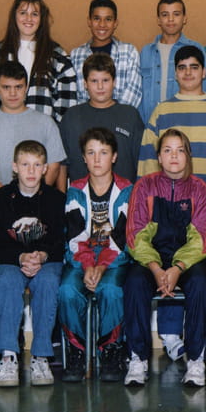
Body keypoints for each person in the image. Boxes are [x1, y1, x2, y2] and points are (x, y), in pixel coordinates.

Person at [124, 129, 206, 387]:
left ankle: (195, 360)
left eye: (180, 150)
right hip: (150, 259)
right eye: (167, 150)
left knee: (200, 284)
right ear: (159, 157)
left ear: (188, 155)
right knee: (134, 283)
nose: (174, 156)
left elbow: (202, 238)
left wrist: (177, 268)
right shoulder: (145, 186)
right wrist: (155, 268)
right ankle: (138, 358)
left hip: (187, 261)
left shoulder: (200, 189)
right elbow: (135, 234)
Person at [0, 140, 65, 387]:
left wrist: (42, 256)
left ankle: (41, 356)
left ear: (45, 169)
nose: (31, 171)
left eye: (37, 165)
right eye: (25, 165)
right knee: (8, 282)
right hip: (11, 260)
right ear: (14, 167)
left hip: (46, 261)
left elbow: (61, 241)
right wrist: (20, 257)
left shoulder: (56, 199)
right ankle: (8, 356)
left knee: (49, 282)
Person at [58, 127, 133, 382]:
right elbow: (75, 237)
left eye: (103, 152)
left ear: (114, 156)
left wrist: (100, 267)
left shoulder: (126, 190)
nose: (97, 159)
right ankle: (77, 351)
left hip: (115, 259)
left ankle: (111, 350)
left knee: (111, 290)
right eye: (91, 153)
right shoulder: (75, 191)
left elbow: (123, 238)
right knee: (67, 290)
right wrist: (88, 265)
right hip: (81, 258)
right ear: (84, 158)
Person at [0, 0, 77, 124]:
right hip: (2, 130)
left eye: (34, 14)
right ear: (14, 16)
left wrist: (52, 132)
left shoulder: (57, 56)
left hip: (41, 132)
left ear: (41, 19)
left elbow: (67, 108)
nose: (29, 18)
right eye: (23, 13)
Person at [138, 45, 206, 184]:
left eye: (194, 67)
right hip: (169, 194)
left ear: (204, 72)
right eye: (182, 68)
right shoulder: (161, 112)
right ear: (176, 74)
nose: (188, 72)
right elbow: (148, 160)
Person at [0, 61, 66, 192]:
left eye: (18, 87)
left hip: (39, 199)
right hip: (1, 200)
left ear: (26, 87)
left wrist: (36, 194)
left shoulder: (46, 123)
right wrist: (9, 198)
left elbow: (54, 166)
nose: (13, 93)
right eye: (6, 87)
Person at [59, 52, 144, 188]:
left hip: (124, 196)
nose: (100, 87)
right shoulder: (71, 117)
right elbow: (62, 164)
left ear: (114, 82)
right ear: (85, 83)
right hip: (80, 197)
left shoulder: (130, 115)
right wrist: (62, 196)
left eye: (105, 80)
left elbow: (142, 163)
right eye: (94, 81)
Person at [138, 0, 206, 121]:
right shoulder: (146, 52)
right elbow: (139, 94)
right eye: (165, 15)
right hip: (150, 124)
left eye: (176, 14)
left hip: (186, 123)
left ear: (184, 18)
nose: (170, 19)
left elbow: (205, 90)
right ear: (158, 20)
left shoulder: (195, 49)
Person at [69, 0, 142, 108]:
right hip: (85, 117)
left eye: (108, 19)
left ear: (115, 23)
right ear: (89, 21)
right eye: (97, 18)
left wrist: (113, 115)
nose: (102, 24)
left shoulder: (129, 52)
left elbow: (134, 91)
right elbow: (75, 96)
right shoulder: (76, 55)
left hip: (121, 116)